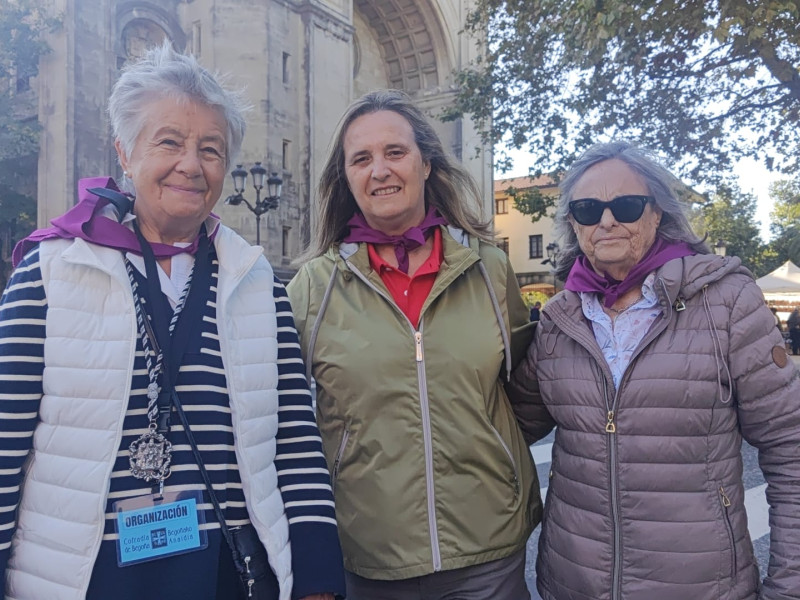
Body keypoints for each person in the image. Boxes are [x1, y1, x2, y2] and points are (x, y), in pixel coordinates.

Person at [0, 44, 344, 600]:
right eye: (169, 142)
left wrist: (317, 582)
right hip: (82, 579)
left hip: (230, 575)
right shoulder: (51, 272)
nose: (191, 164)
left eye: (211, 149)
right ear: (125, 151)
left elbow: (295, 444)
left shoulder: (258, 284)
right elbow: (4, 440)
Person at [508, 141, 800, 599]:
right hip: (574, 583)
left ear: (656, 213)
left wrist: (789, 586)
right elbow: (506, 428)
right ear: (572, 223)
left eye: (625, 205)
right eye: (588, 209)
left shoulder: (727, 304)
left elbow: (791, 449)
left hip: (702, 587)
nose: (606, 221)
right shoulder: (557, 319)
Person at [287, 89, 540, 600]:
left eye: (395, 152)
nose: (379, 170)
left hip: (489, 552)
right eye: (361, 159)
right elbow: (284, 423)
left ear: (426, 163)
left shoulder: (490, 269)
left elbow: (526, 389)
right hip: (368, 558)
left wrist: (495, 458)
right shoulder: (312, 287)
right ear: (347, 179)